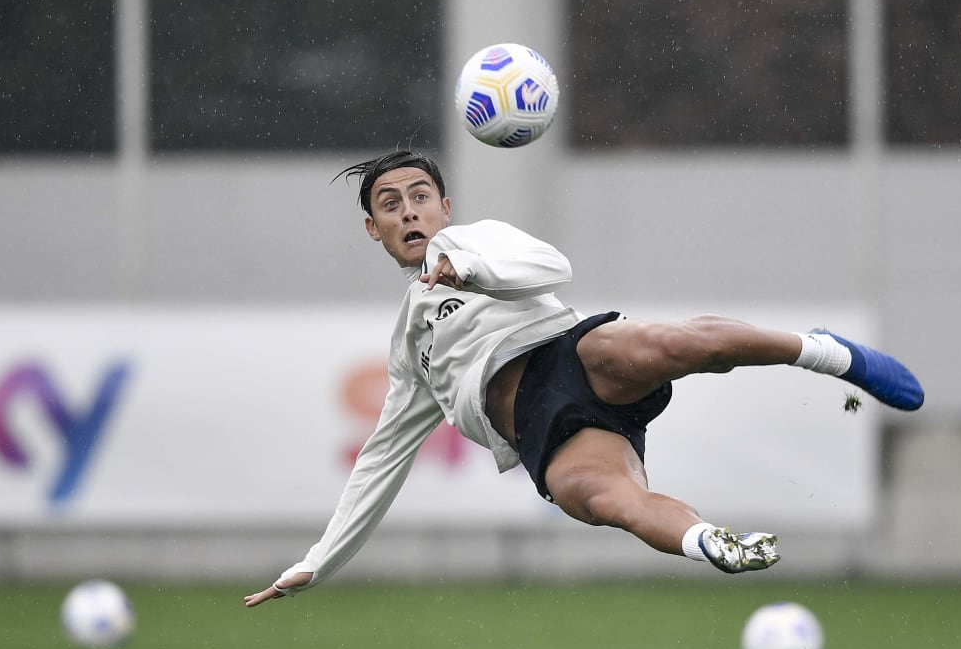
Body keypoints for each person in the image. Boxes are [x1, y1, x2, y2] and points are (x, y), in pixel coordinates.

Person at [244, 149, 923, 608]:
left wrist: (471, 270)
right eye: (391, 204)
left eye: (420, 196)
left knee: (682, 344)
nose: (409, 211)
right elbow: (380, 460)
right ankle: (709, 542)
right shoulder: (408, 346)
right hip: (542, 432)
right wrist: (317, 562)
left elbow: (552, 268)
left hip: (571, 353)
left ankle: (828, 354)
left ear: (444, 207)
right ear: (375, 229)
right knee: (613, 503)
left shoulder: (478, 241)